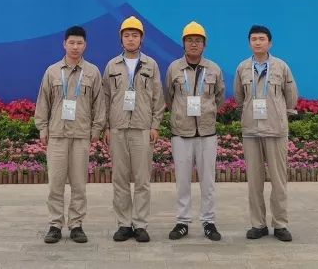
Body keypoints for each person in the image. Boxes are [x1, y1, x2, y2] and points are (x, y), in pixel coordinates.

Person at [34, 25, 107, 244]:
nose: (75, 47)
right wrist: (43, 128)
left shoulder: (93, 72)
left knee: (79, 184)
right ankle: (55, 225)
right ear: (64, 44)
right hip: (57, 135)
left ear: (85, 45)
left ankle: (76, 224)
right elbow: (43, 102)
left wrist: (97, 129)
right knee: (55, 183)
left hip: (81, 136)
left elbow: (99, 104)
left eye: (79, 43)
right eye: (72, 43)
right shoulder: (52, 71)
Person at [233, 25, 298, 242]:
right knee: (254, 181)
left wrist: (280, 115)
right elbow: (239, 97)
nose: (258, 42)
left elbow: (291, 95)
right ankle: (258, 224)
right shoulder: (242, 68)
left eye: (262, 39)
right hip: (251, 130)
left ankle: (280, 224)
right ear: (249, 43)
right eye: (254, 39)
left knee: (278, 180)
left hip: (275, 130)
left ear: (270, 43)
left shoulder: (281, 67)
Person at [103, 16, 165, 242]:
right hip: (118, 129)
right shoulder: (112, 65)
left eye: (135, 35)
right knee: (119, 179)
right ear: (121, 39)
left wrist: (155, 125)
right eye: (127, 35)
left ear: (141, 39)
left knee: (142, 180)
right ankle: (123, 224)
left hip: (142, 129)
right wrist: (106, 126)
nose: (131, 39)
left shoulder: (151, 65)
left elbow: (158, 98)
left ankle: (140, 224)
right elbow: (105, 98)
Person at [163, 21, 226, 241]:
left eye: (198, 40)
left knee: (208, 181)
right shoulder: (174, 68)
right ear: (183, 43)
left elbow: (219, 96)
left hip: (207, 133)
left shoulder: (214, 69)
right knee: (182, 181)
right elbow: (169, 97)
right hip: (182, 132)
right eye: (189, 40)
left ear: (204, 44)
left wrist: (207, 112)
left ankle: (209, 221)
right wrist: (181, 114)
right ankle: (182, 222)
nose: (193, 44)